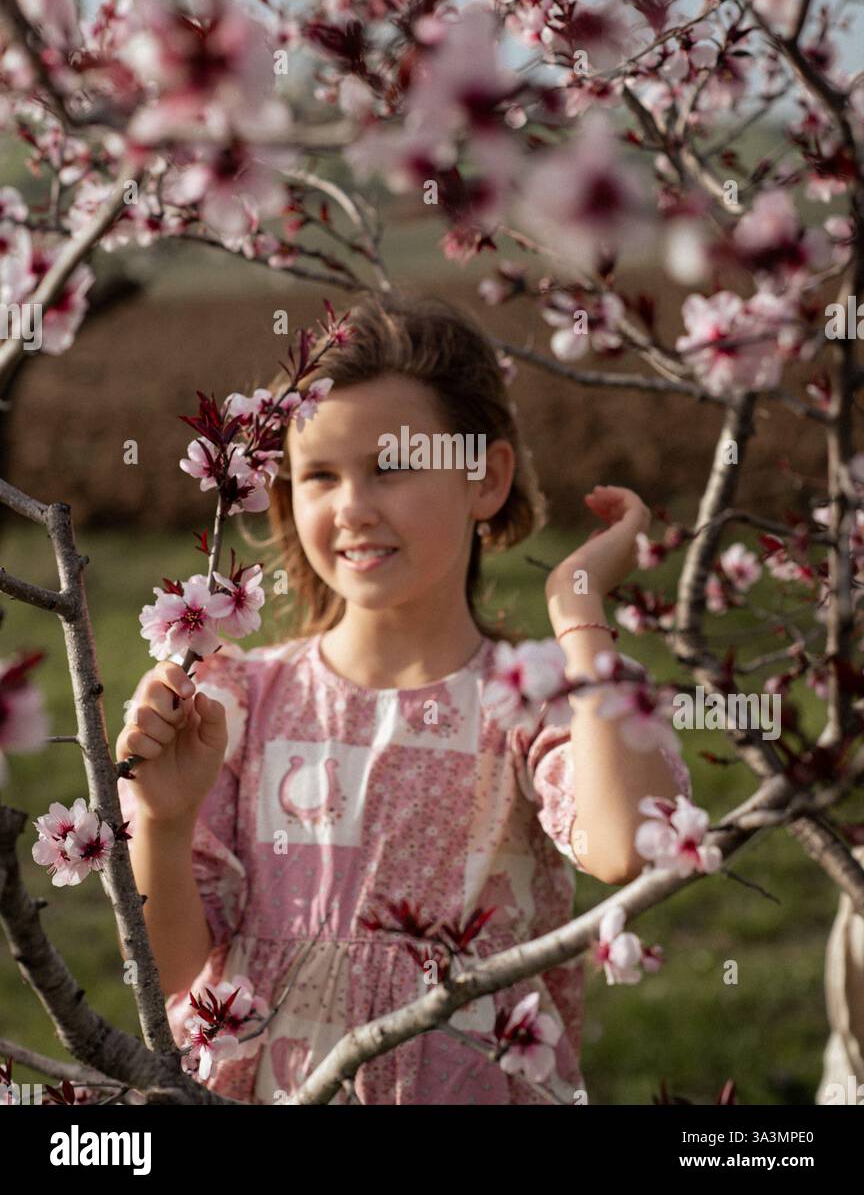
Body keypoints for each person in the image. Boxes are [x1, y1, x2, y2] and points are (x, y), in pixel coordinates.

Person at [116, 290, 691, 1105]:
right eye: (320, 475)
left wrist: (578, 609)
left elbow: (632, 843)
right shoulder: (236, 701)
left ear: (484, 477)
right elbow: (168, 973)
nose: (352, 506)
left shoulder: (534, 700)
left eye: (390, 467)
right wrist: (166, 827)